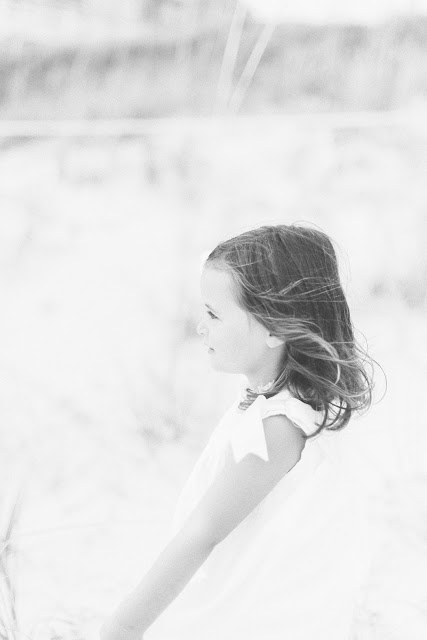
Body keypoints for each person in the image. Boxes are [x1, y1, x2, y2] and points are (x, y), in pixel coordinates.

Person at [100, 224, 375, 640]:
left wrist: (124, 626)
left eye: (214, 314)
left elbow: (202, 533)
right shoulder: (277, 403)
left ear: (275, 328)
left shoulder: (277, 428)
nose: (201, 326)